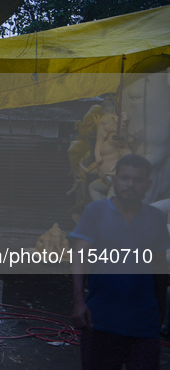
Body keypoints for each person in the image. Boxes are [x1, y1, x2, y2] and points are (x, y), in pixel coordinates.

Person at [70, 154, 169, 369]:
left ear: (147, 184)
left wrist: (161, 313)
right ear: (114, 180)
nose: (130, 184)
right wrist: (79, 302)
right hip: (101, 319)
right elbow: (80, 258)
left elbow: (161, 269)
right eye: (125, 178)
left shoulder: (156, 218)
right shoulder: (95, 212)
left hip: (143, 324)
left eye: (138, 180)